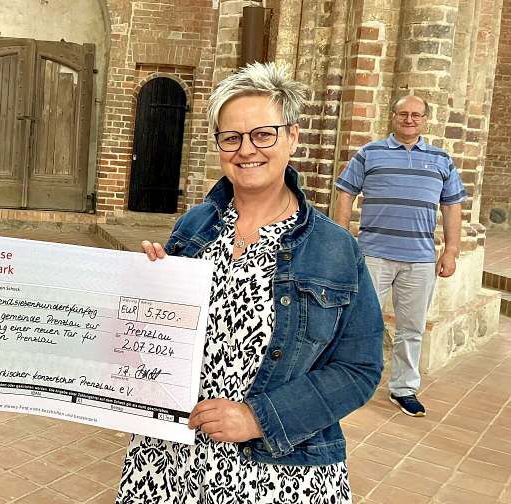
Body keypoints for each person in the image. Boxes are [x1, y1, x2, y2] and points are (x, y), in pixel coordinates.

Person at [116, 62, 384, 504]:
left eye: (264, 134)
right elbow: (163, 336)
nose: (247, 150)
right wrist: (152, 285)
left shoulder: (334, 249)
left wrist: (259, 417)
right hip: (171, 458)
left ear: (292, 137)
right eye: (231, 137)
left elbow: (359, 369)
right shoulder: (194, 226)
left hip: (277, 470)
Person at [334, 95, 466, 418]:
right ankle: (349, 382)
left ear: (425, 120)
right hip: (373, 255)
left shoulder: (441, 160)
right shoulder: (369, 153)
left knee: (412, 327)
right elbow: (345, 192)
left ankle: (404, 388)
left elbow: (452, 206)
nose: (409, 119)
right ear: (393, 117)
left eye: (416, 115)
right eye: (403, 114)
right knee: (360, 323)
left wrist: (450, 250)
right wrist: (340, 239)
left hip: (419, 259)